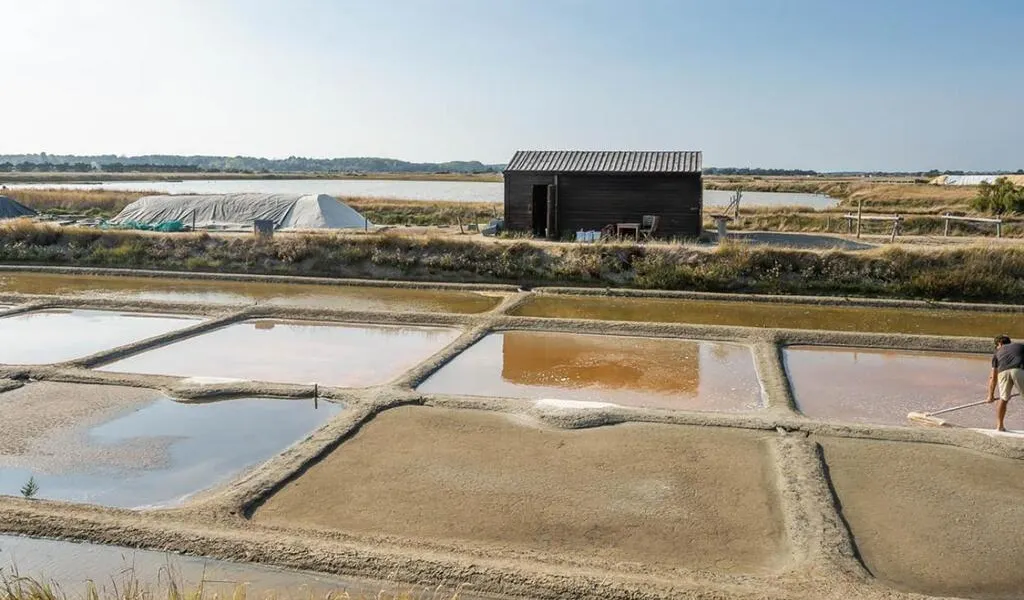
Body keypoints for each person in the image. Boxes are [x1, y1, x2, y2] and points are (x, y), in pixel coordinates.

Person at [987, 335, 1024, 431]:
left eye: (996, 346)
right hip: (1018, 370)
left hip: (1002, 373)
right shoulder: (1020, 346)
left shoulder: (997, 353)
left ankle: (999, 426)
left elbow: (993, 377)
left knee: (1003, 398)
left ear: (999, 343)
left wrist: (990, 395)